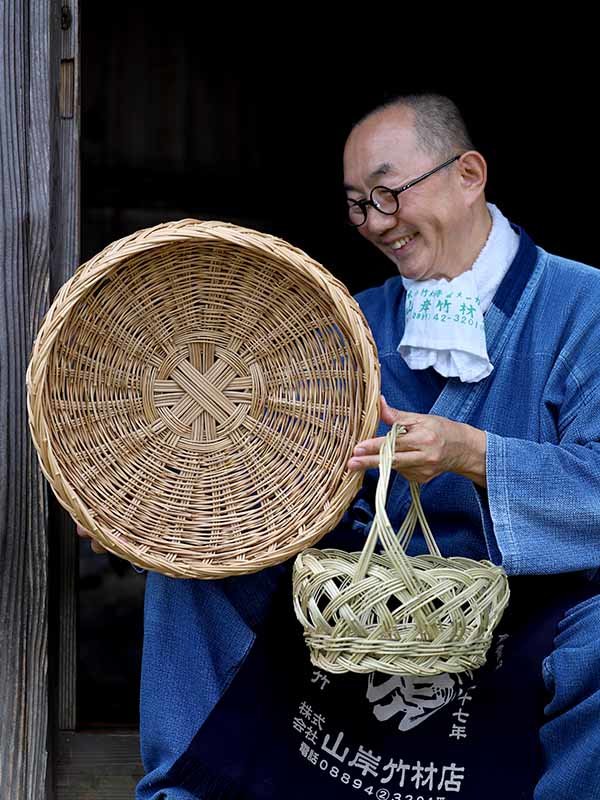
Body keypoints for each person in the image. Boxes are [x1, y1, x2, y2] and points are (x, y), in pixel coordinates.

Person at [79, 93, 600, 799]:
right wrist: (150, 518)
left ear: (469, 174)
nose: (377, 223)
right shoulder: (351, 321)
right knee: (197, 566)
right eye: (358, 203)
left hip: (530, 604)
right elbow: (265, 472)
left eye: (389, 193)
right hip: (355, 599)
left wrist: (473, 452)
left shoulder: (583, 305)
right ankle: (184, 789)